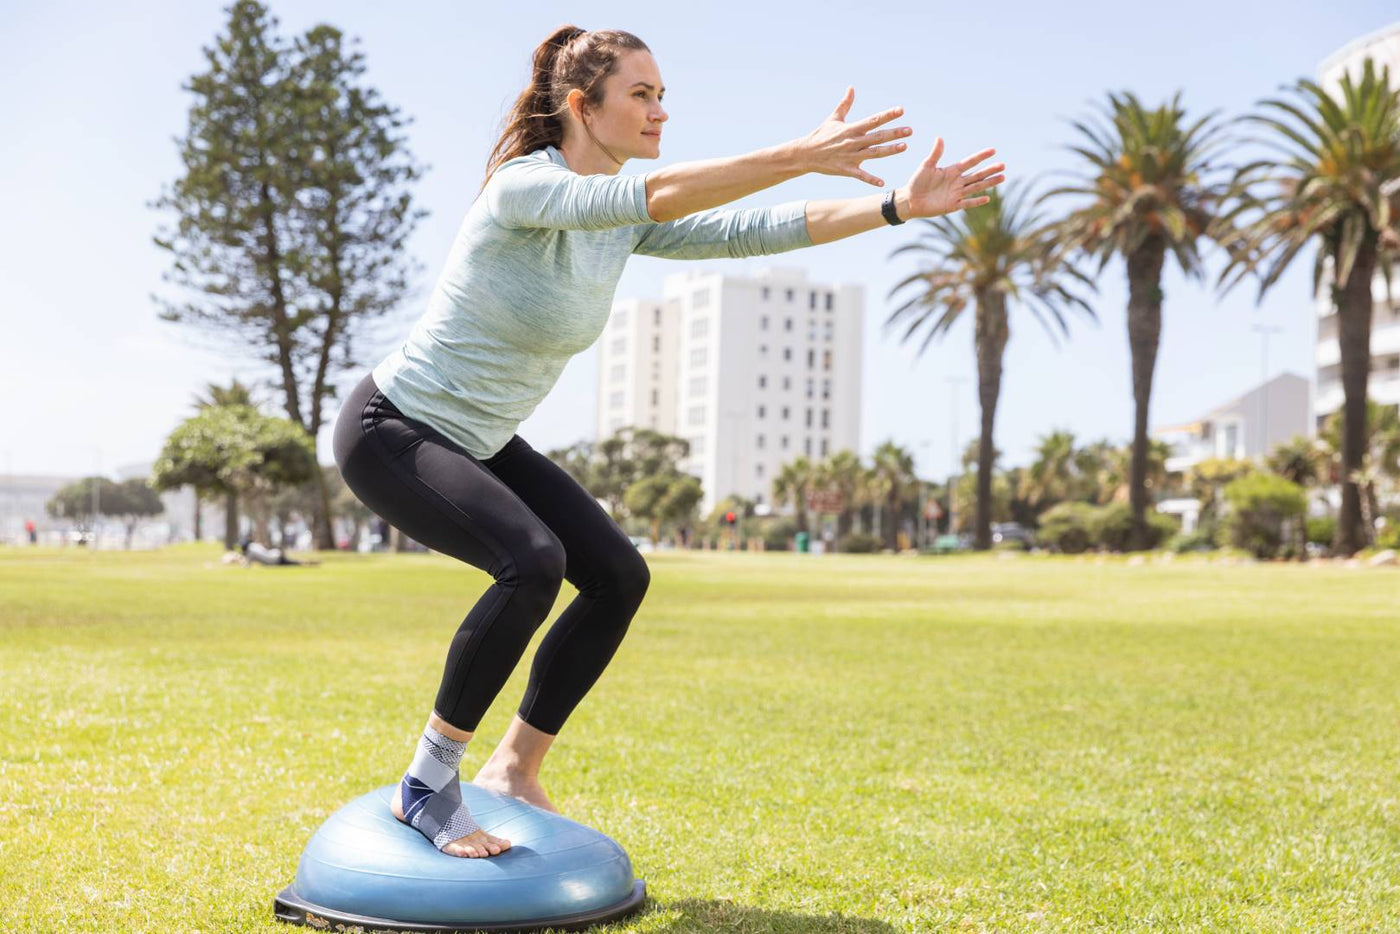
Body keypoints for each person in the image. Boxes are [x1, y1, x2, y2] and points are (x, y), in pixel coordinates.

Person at [332, 24, 1004, 861]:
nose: (659, 114)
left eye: (662, 96)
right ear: (582, 106)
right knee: (533, 562)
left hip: (485, 437)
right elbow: (646, 198)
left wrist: (896, 205)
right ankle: (429, 782)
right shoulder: (524, 188)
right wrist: (800, 150)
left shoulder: (620, 218)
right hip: (394, 427)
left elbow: (753, 231)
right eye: (641, 96)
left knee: (617, 575)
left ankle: (514, 768)